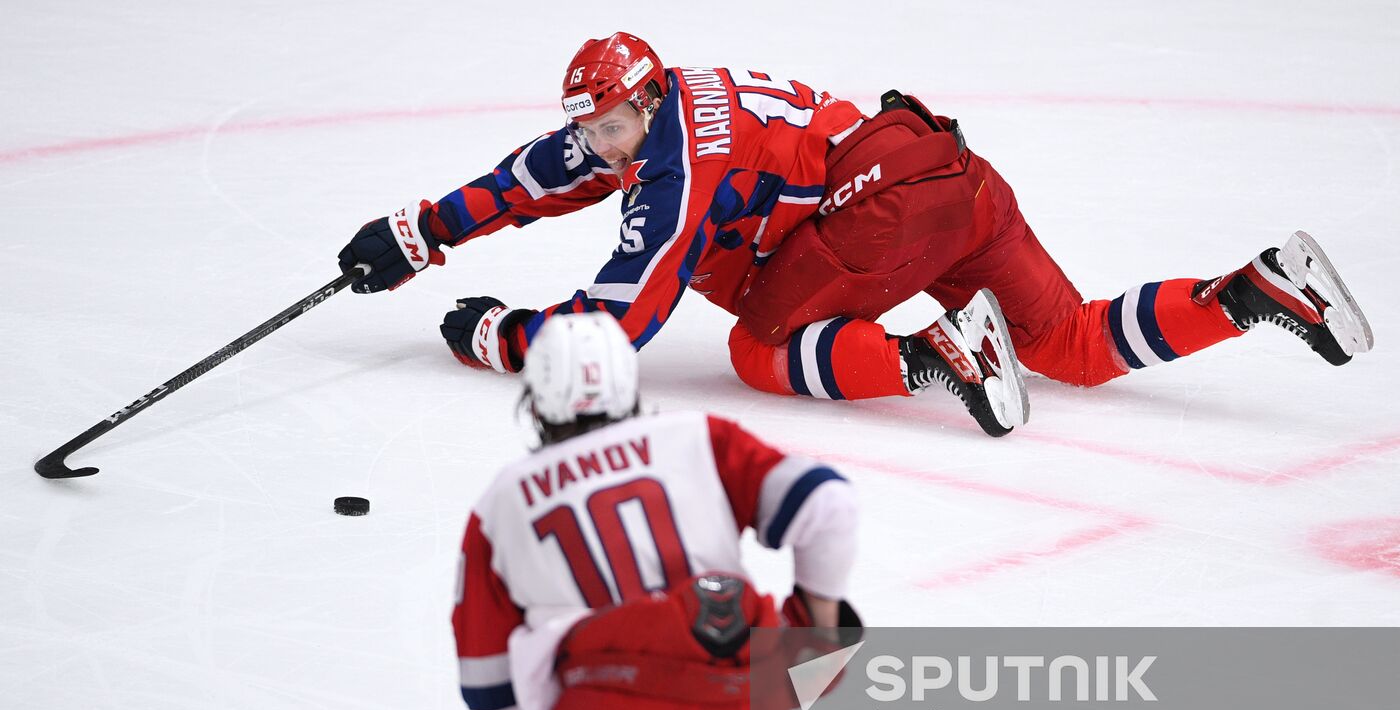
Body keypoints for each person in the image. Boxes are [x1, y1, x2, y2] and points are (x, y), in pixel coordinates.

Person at [339, 33, 1372, 440]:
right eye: (589, 129)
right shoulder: (657, 116)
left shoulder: (674, 168)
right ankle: (1254, 289)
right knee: (1070, 344)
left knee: (755, 347)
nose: (595, 148)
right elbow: (541, 175)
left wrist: (496, 336)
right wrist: (422, 231)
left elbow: (621, 322)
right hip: (952, 178)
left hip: (880, 207)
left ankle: (937, 353)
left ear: (644, 102)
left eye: (608, 127)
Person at [439, 312, 860, 710]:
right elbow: (830, 504)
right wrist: (817, 637)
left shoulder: (501, 504)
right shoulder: (697, 438)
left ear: (536, 399)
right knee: (833, 634)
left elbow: (490, 694)